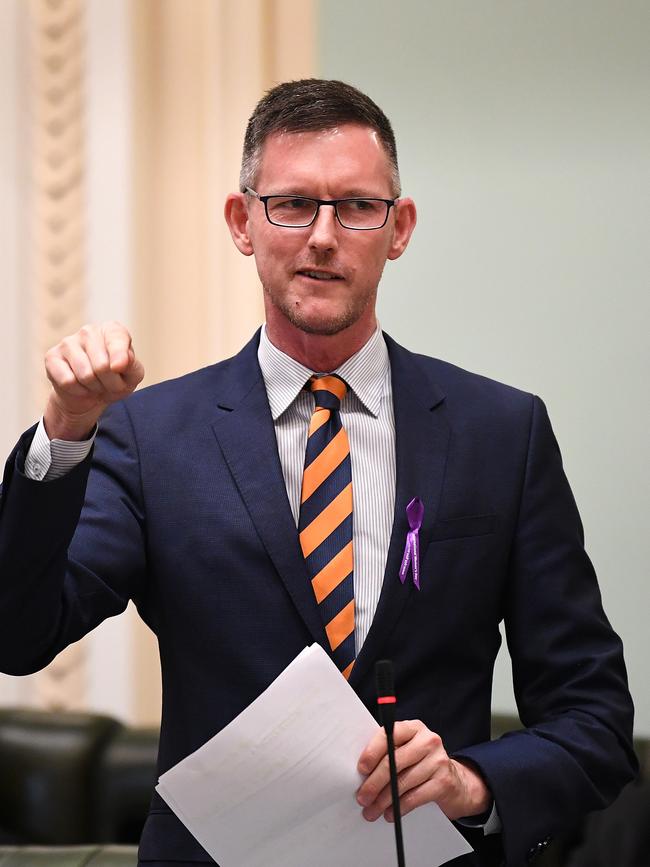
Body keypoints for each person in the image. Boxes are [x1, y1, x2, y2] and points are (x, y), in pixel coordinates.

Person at [0, 79, 636, 867]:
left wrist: (472, 779)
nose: (324, 237)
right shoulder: (149, 434)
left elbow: (595, 719)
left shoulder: (502, 434)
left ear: (399, 228)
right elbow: (19, 635)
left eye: (358, 206)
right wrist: (63, 435)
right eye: (293, 204)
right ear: (242, 222)